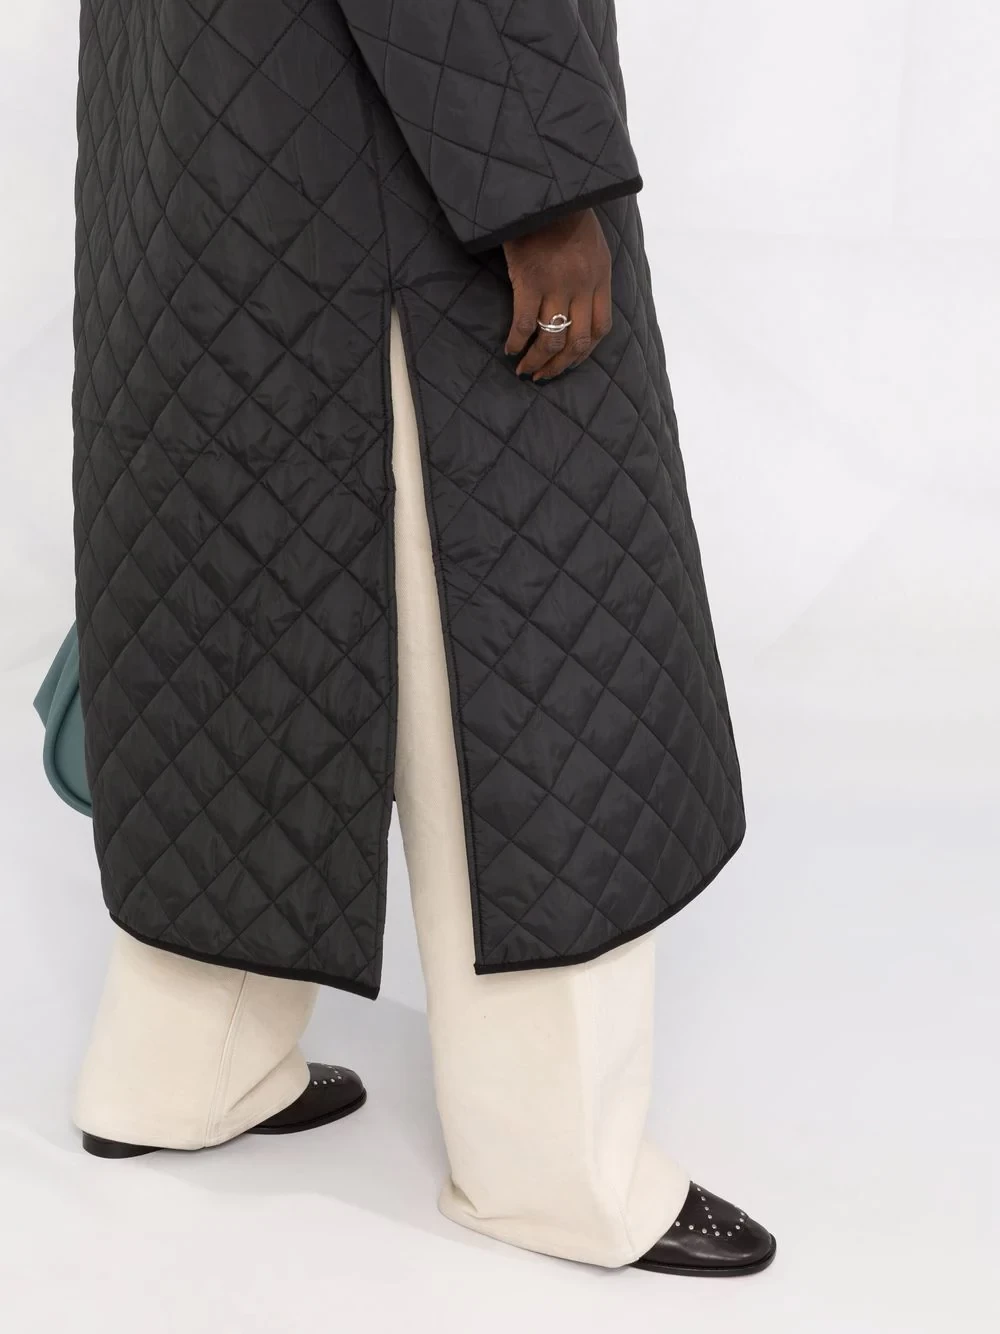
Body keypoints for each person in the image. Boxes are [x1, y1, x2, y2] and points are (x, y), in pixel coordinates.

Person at [69, 0, 774, 1277]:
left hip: (198, 150)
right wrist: (542, 190)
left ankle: (180, 1069)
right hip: (396, 190)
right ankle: (559, 1172)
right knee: (508, 637)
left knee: (247, 605)